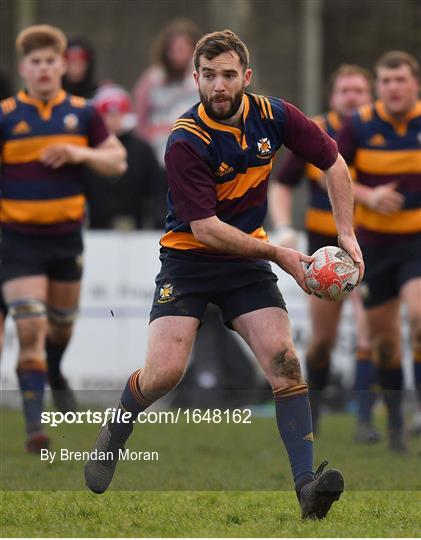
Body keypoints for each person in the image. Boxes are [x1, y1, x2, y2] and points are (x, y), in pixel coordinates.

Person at [84, 30, 364, 520]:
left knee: (285, 362)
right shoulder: (184, 140)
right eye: (208, 76)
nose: (218, 85)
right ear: (195, 79)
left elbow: (334, 162)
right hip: (189, 261)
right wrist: (279, 252)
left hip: (246, 264)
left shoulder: (275, 115)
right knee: (164, 374)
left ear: (246, 78)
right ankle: (117, 428)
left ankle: (306, 488)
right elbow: (207, 230)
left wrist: (348, 235)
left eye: (228, 75)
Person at [0, 25, 127, 452]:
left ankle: (55, 372)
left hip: (66, 240)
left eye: (50, 62)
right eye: (34, 63)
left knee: (60, 328)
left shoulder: (83, 113)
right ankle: (36, 429)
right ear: (23, 69)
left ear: (63, 66)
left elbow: (118, 161)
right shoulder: (5, 116)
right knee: (31, 325)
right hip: (17, 241)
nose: (43, 69)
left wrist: (80, 153)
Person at [269, 65, 378, 442]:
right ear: (333, 96)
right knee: (323, 343)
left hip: (373, 245)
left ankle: (365, 422)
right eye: (345, 90)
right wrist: (284, 226)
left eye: (359, 90)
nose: (352, 96)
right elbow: (282, 185)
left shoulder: (378, 131)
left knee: (369, 335)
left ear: (370, 95)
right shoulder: (316, 131)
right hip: (326, 252)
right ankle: (314, 416)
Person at [338, 51, 421, 451]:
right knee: (386, 344)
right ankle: (395, 427)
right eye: (385, 80)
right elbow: (331, 174)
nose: (392, 87)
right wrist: (368, 195)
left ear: (415, 84)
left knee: (419, 317)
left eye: (400, 79)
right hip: (374, 246)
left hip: (416, 244)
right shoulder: (360, 125)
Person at [85, 83, 162, 229]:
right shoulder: (88, 149)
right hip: (96, 231)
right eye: (107, 114)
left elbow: (157, 190)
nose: (113, 119)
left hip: (136, 231)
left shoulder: (142, 150)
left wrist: (157, 223)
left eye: (117, 113)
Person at [132, 18, 200, 167]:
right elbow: (140, 121)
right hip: (158, 157)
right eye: (172, 50)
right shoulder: (151, 80)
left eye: (181, 49)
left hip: (194, 156)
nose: (177, 55)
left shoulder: (203, 80)